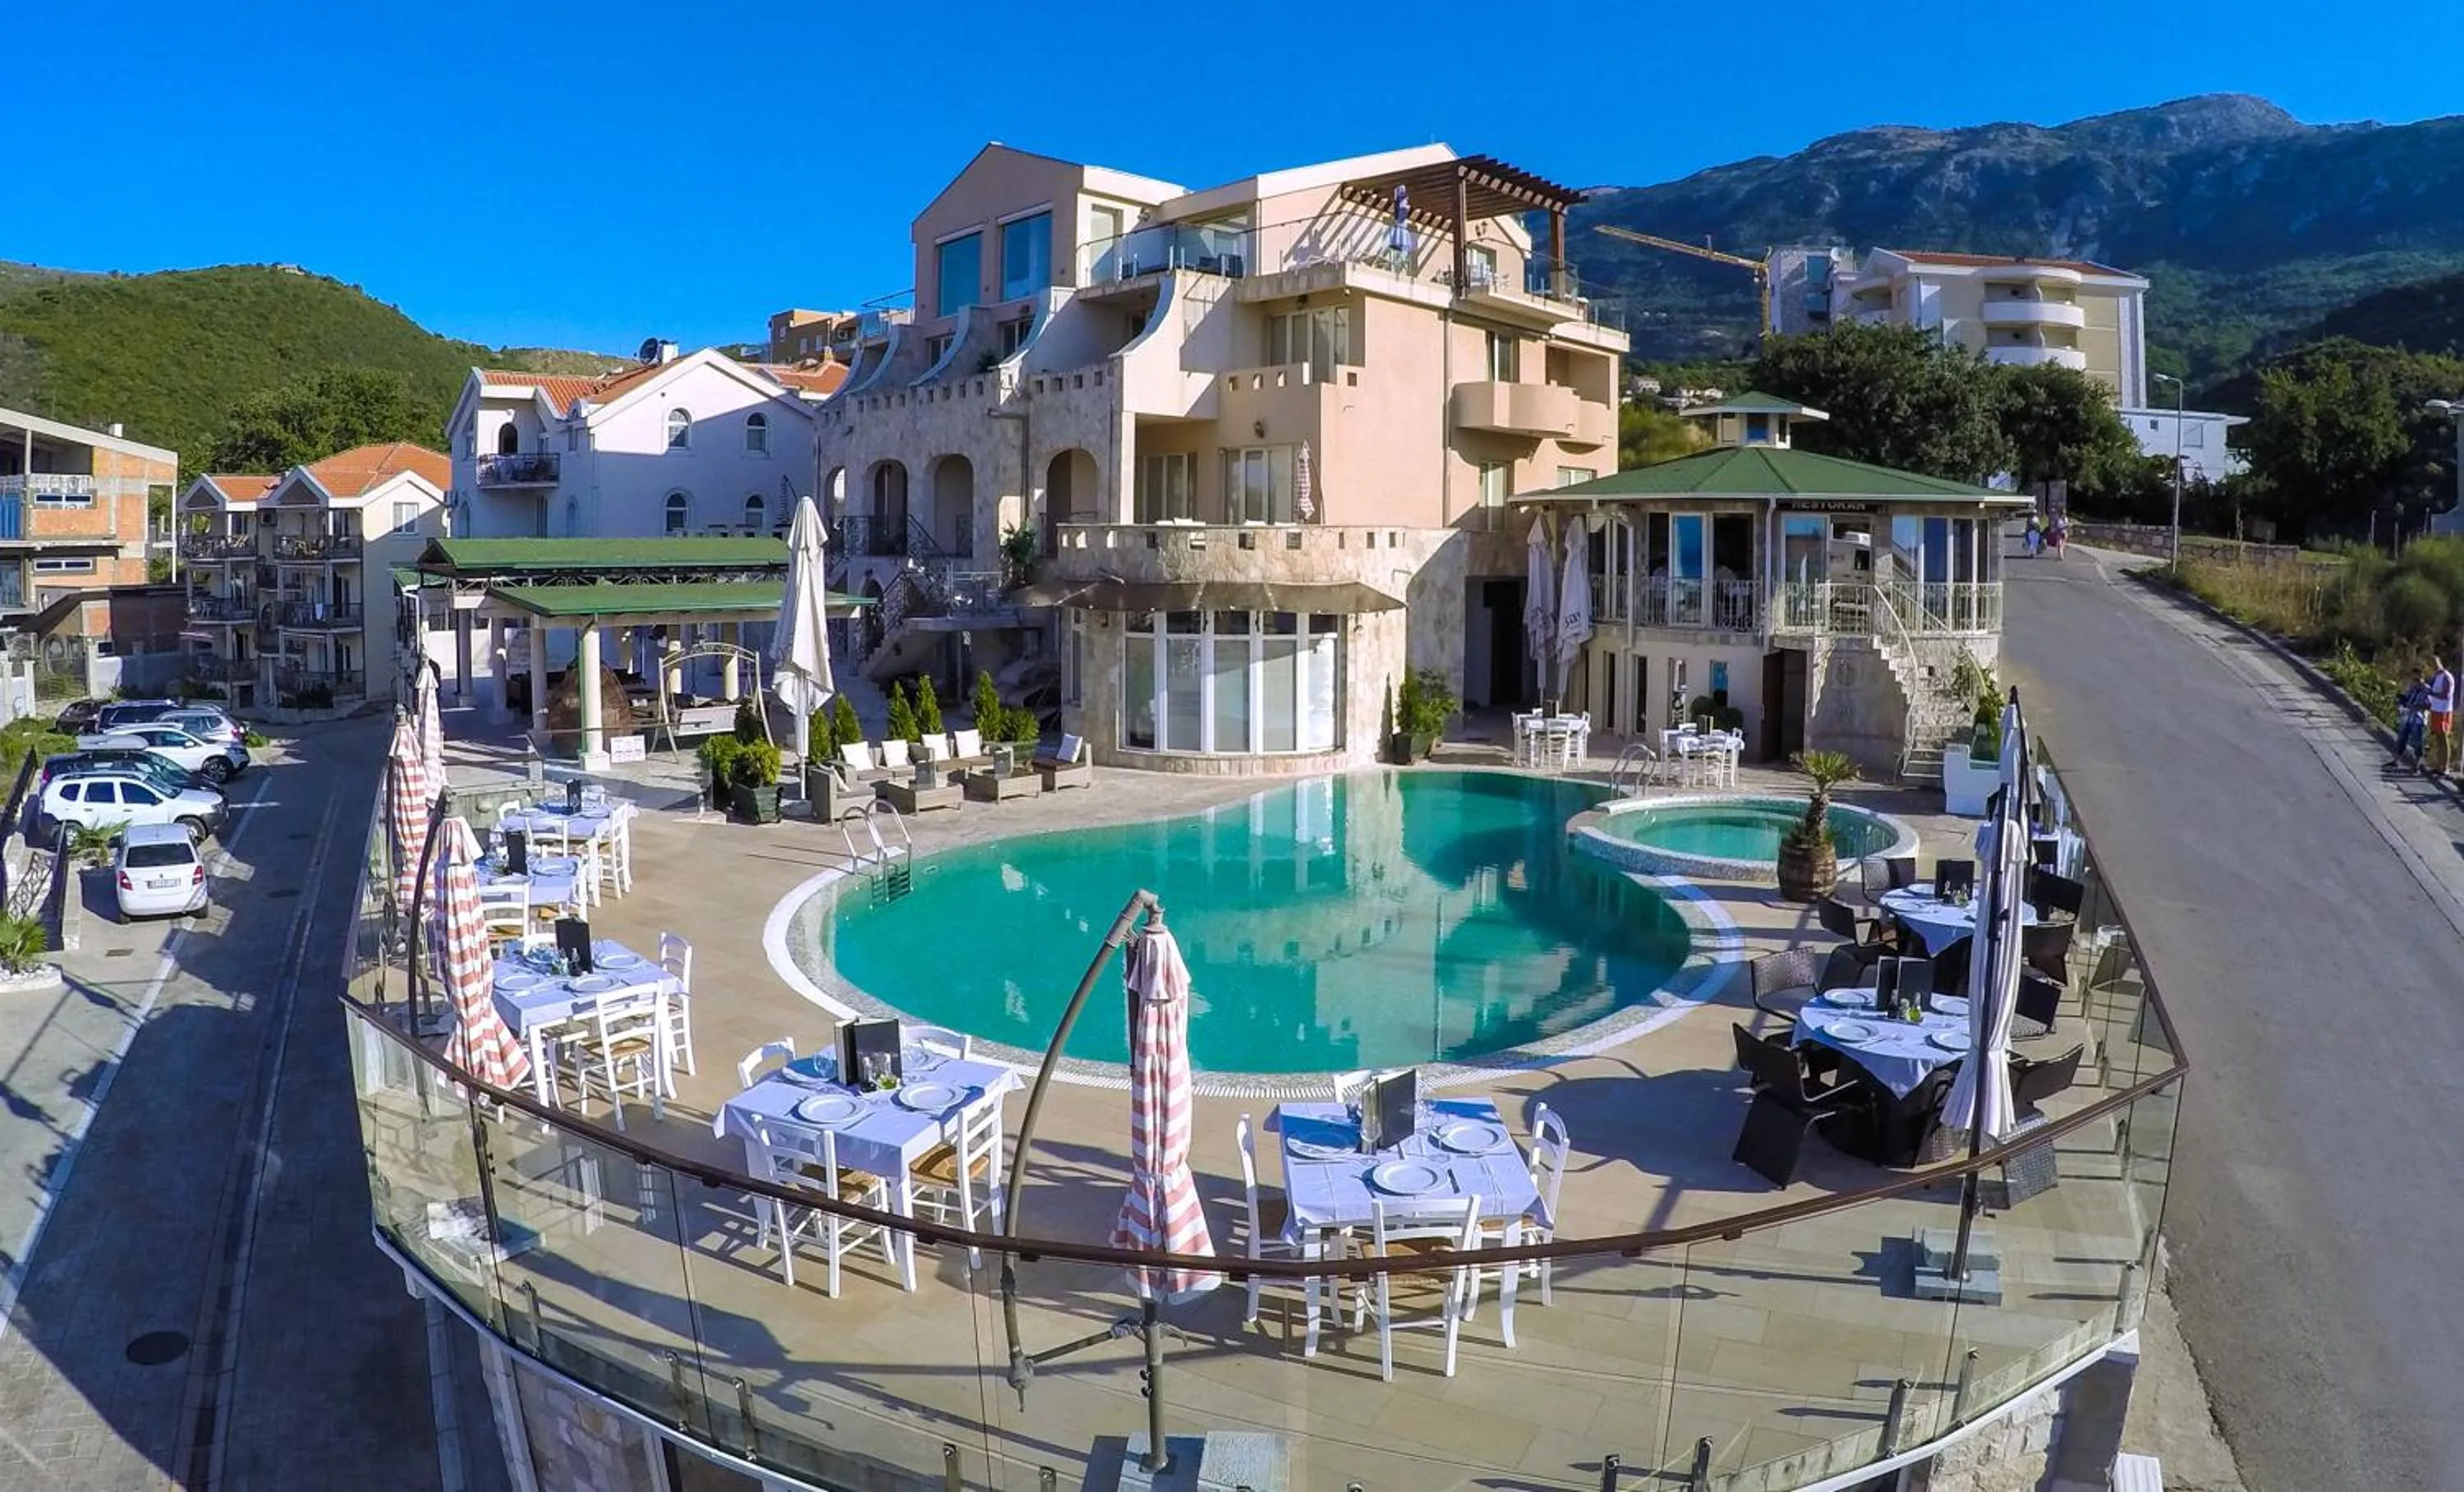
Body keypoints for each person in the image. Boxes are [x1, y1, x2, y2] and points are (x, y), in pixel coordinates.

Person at [2394, 673, 2432, 770]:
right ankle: (2397, 760)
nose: (2415, 682)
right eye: (2414, 679)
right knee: (2402, 738)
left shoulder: (2428, 690)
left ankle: (2417, 764)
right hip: (2408, 716)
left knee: (2418, 742)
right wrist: (2401, 701)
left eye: (2417, 679)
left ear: (2423, 679)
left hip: (2419, 718)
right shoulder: (2413, 688)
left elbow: (2430, 705)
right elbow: (2407, 698)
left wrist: (2418, 706)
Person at [2428, 656, 2457, 776]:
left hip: (2444, 711)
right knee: (2438, 738)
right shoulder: (2436, 676)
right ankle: (2439, 765)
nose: (2433, 666)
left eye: (2435, 663)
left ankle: (2446, 767)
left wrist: (2432, 693)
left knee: (2444, 738)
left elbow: (2446, 695)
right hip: (2435, 710)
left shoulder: (2446, 677)